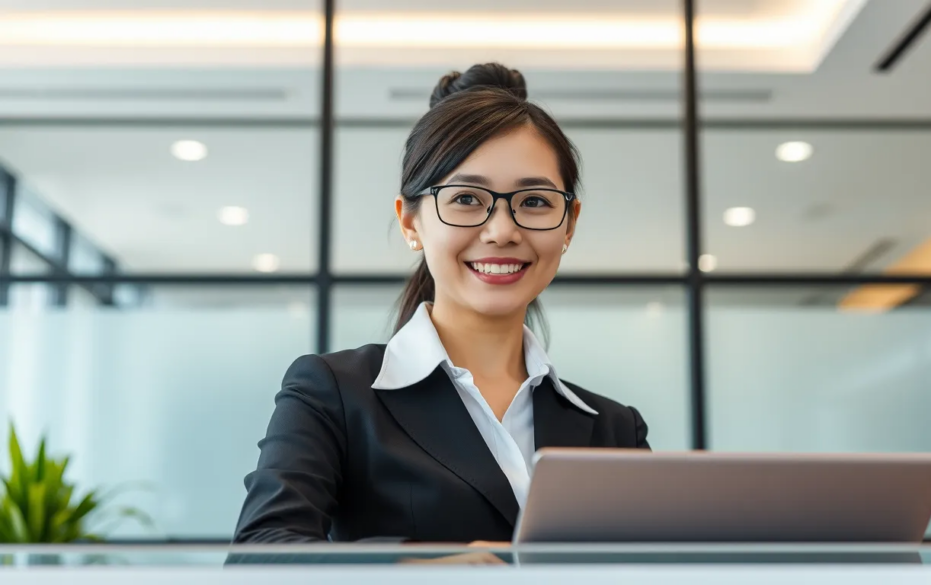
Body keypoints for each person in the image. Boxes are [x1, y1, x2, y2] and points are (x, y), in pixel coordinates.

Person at [233, 63, 650, 545]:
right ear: (410, 222)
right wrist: (425, 566)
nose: (502, 231)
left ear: (569, 224)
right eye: (467, 199)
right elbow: (260, 555)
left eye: (534, 201)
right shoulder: (335, 395)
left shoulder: (616, 429)